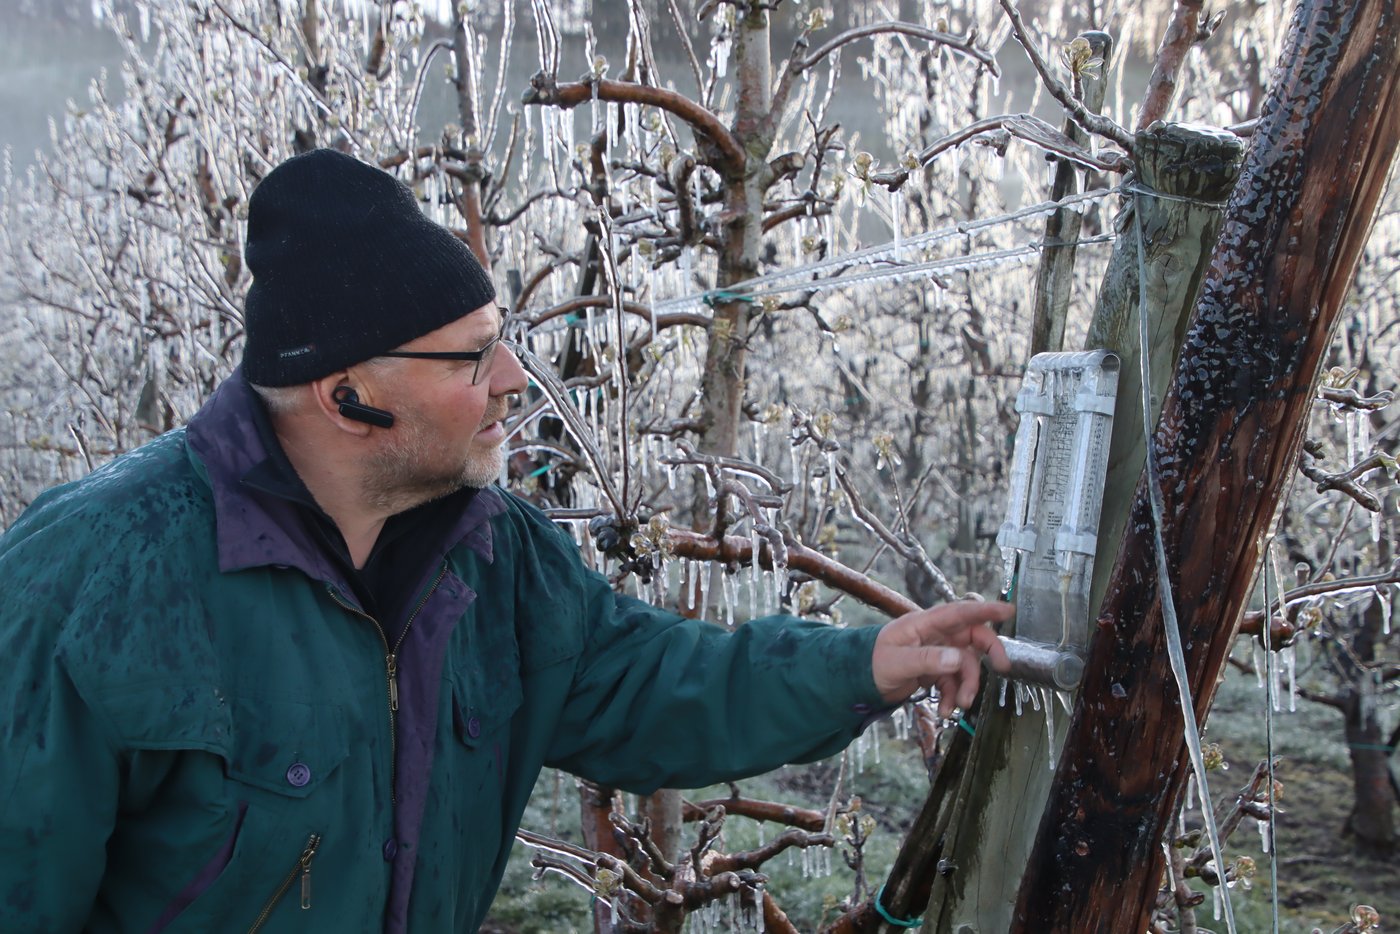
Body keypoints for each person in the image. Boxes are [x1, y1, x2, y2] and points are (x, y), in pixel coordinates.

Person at [0, 149, 1011, 933]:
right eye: (472, 356)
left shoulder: (493, 557)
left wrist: (863, 663)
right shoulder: (93, 581)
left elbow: (654, 687)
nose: (514, 377)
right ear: (345, 393)